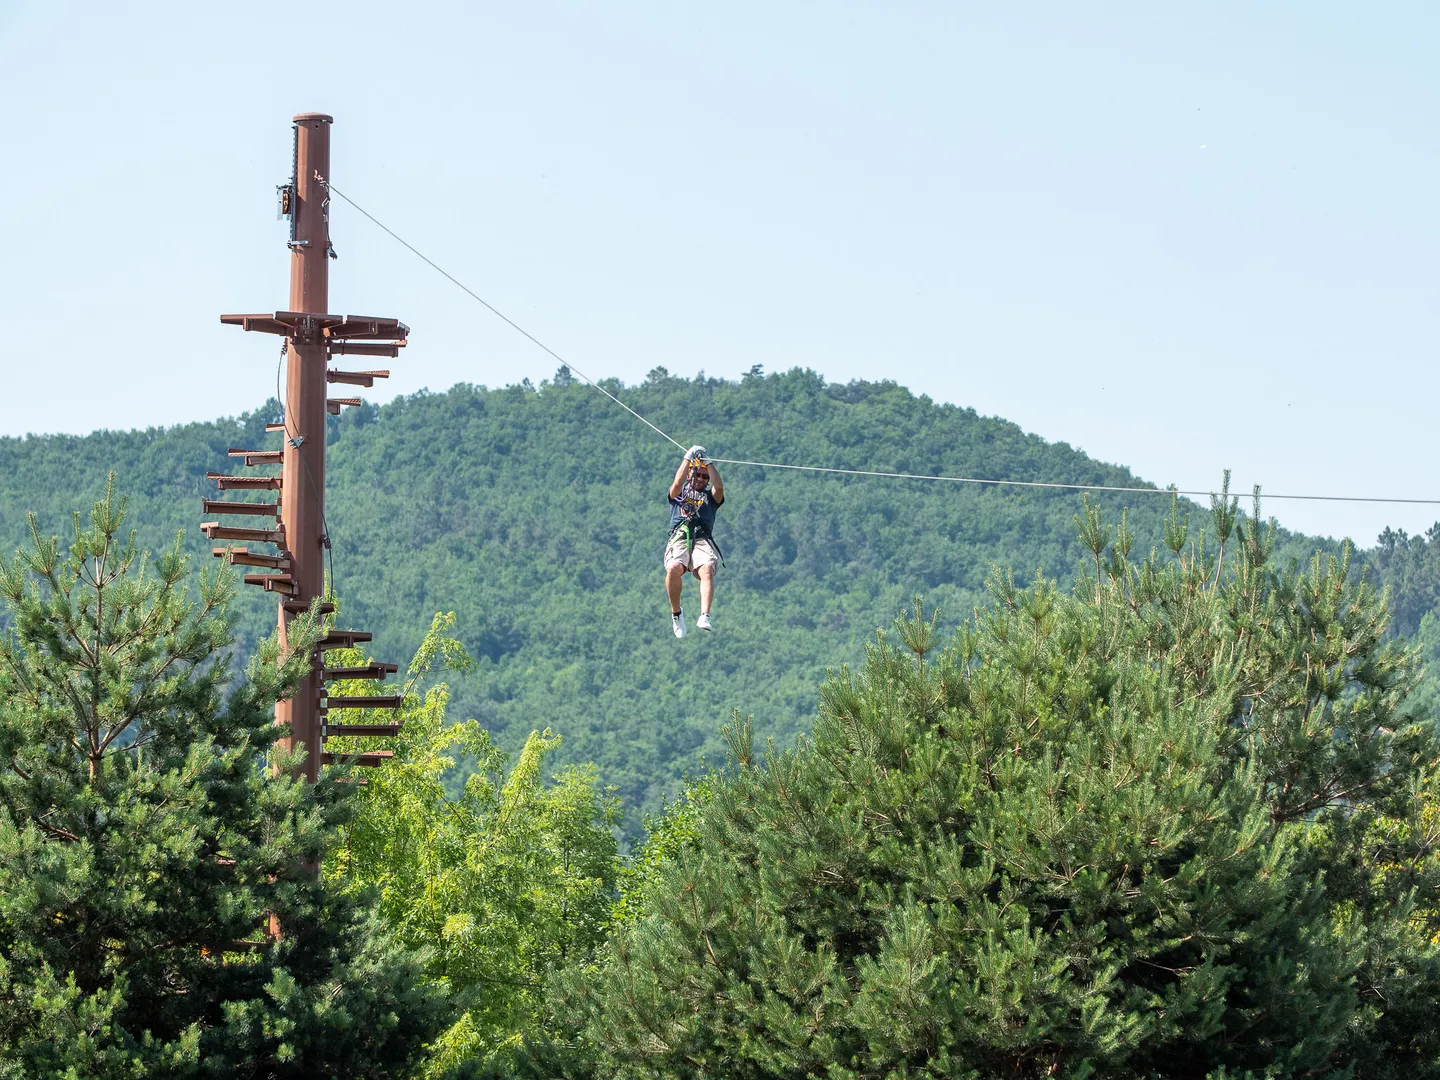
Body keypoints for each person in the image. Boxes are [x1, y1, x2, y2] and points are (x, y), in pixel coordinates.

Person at [664, 445, 724, 638]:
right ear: (691, 473)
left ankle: (705, 615)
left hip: (701, 539)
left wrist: (708, 463)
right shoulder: (679, 493)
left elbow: (719, 487)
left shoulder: (711, 498)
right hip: (680, 537)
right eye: (698, 475)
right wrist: (688, 458)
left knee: (706, 568)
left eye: (705, 477)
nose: (701, 479)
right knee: (674, 568)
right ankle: (676, 614)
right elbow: (677, 482)